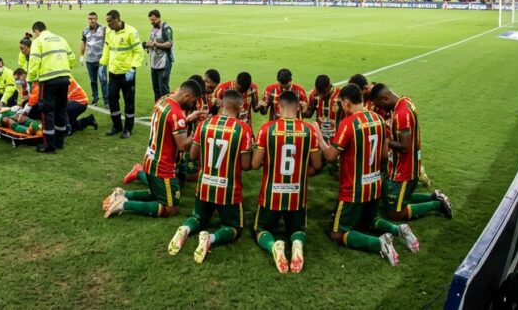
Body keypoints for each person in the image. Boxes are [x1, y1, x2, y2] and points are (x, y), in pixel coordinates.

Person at [311, 84, 416, 265]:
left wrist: (318, 134)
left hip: (353, 189)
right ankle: (399, 230)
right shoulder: (378, 119)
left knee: (337, 233)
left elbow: (330, 156)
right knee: (369, 220)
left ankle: (379, 243)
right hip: (374, 186)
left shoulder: (348, 124)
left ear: (346, 103)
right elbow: (384, 156)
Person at [168, 89, 253, 263]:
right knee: (234, 227)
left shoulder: (204, 124)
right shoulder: (243, 129)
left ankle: (184, 228)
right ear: (241, 107)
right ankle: (210, 239)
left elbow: (191, 155)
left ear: (221, 104)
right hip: (228, 190)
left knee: (198, 218)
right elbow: (245, 165)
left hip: (205, 185)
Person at [103, 80, 204, 218]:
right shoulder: (177, 113)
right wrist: (198, 131)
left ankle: (123, 194)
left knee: (158, 194)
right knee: (171, 209)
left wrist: (187, 119)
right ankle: (123, 204)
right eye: (193, 101)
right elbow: (183, 145)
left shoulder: (162, 101)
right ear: (187, 96)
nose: (192, 104)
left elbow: (168, 124)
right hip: (163, 166)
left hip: (150, 159)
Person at [252, 91, 323, 274]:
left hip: (271, 195)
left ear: (278, 107)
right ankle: (297, 243)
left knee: (261, 228)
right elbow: (317, 164)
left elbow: (254, 164)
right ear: (299, 107)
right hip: (297, 195)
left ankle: (273, 245)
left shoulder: (267, 129)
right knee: (297, 229)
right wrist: (300, 174)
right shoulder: (309, 130)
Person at [370, 84, 453, 222]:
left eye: (379, 105)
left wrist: (385, 140)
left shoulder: (402, 114)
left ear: (384, 98)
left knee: (393, 214)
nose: (381, 109)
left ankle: (438, 205)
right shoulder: (405, 101)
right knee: (391, 199)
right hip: (401, 165)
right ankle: (434, 196)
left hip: (405, 170)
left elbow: (404, 146)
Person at [25, 21, 76, 153]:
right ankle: (60, 141)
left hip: (48, 80)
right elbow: (72, 58)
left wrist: (30, 79)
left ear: (36, 31)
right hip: (65, 78)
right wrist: (64, 70)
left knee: (47, 111)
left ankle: (49, 144)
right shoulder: (61, 39)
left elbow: (34, 61)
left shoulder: (38, 41)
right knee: (61, 109)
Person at [99, 10, 144, 139]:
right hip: (113, 72)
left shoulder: (131, 31)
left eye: (110, 21)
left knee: (129, 101)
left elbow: (138, 51)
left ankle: (128, 128)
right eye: (107, 21)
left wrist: (133, 68)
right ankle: (117, 125)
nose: (108, 24)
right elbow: (107, 49)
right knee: (112, 99)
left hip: (127, 74)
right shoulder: (108, 31)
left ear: (117, 19)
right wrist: (103, 64)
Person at [29, 76, 97, 134]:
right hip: (78, 101)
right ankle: (89, 120)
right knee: (65, 124)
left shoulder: (58, 79)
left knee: (63, 126)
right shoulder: (61, 76)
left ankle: (69, 127)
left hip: (78, 102)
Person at [80, 12, 108, 107]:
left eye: (93, 18)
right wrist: (81, 55)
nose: (92, 20)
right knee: (93, 81)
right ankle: (95, 98)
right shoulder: (85, 31)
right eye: (90, 19)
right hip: (90, 60)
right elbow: (83, 43)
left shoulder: (103, 29)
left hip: (101, 60)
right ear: (88, 20)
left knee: (103, 80)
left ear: (97, 19)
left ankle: (107, 101)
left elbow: (106, 42)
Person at [146, 9, 174, 101]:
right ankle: (157, 108)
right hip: (154, 62)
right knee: (156, 88)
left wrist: (155, 44)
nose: (152, 22)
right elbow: (153, 42)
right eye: (151, 20)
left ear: (159, 18)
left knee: (163, 89)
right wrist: (147, 45)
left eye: (154, 20)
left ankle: (166, 109)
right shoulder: (153, 28)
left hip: (164, 63)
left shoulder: (166, 28)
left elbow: (169, 44)